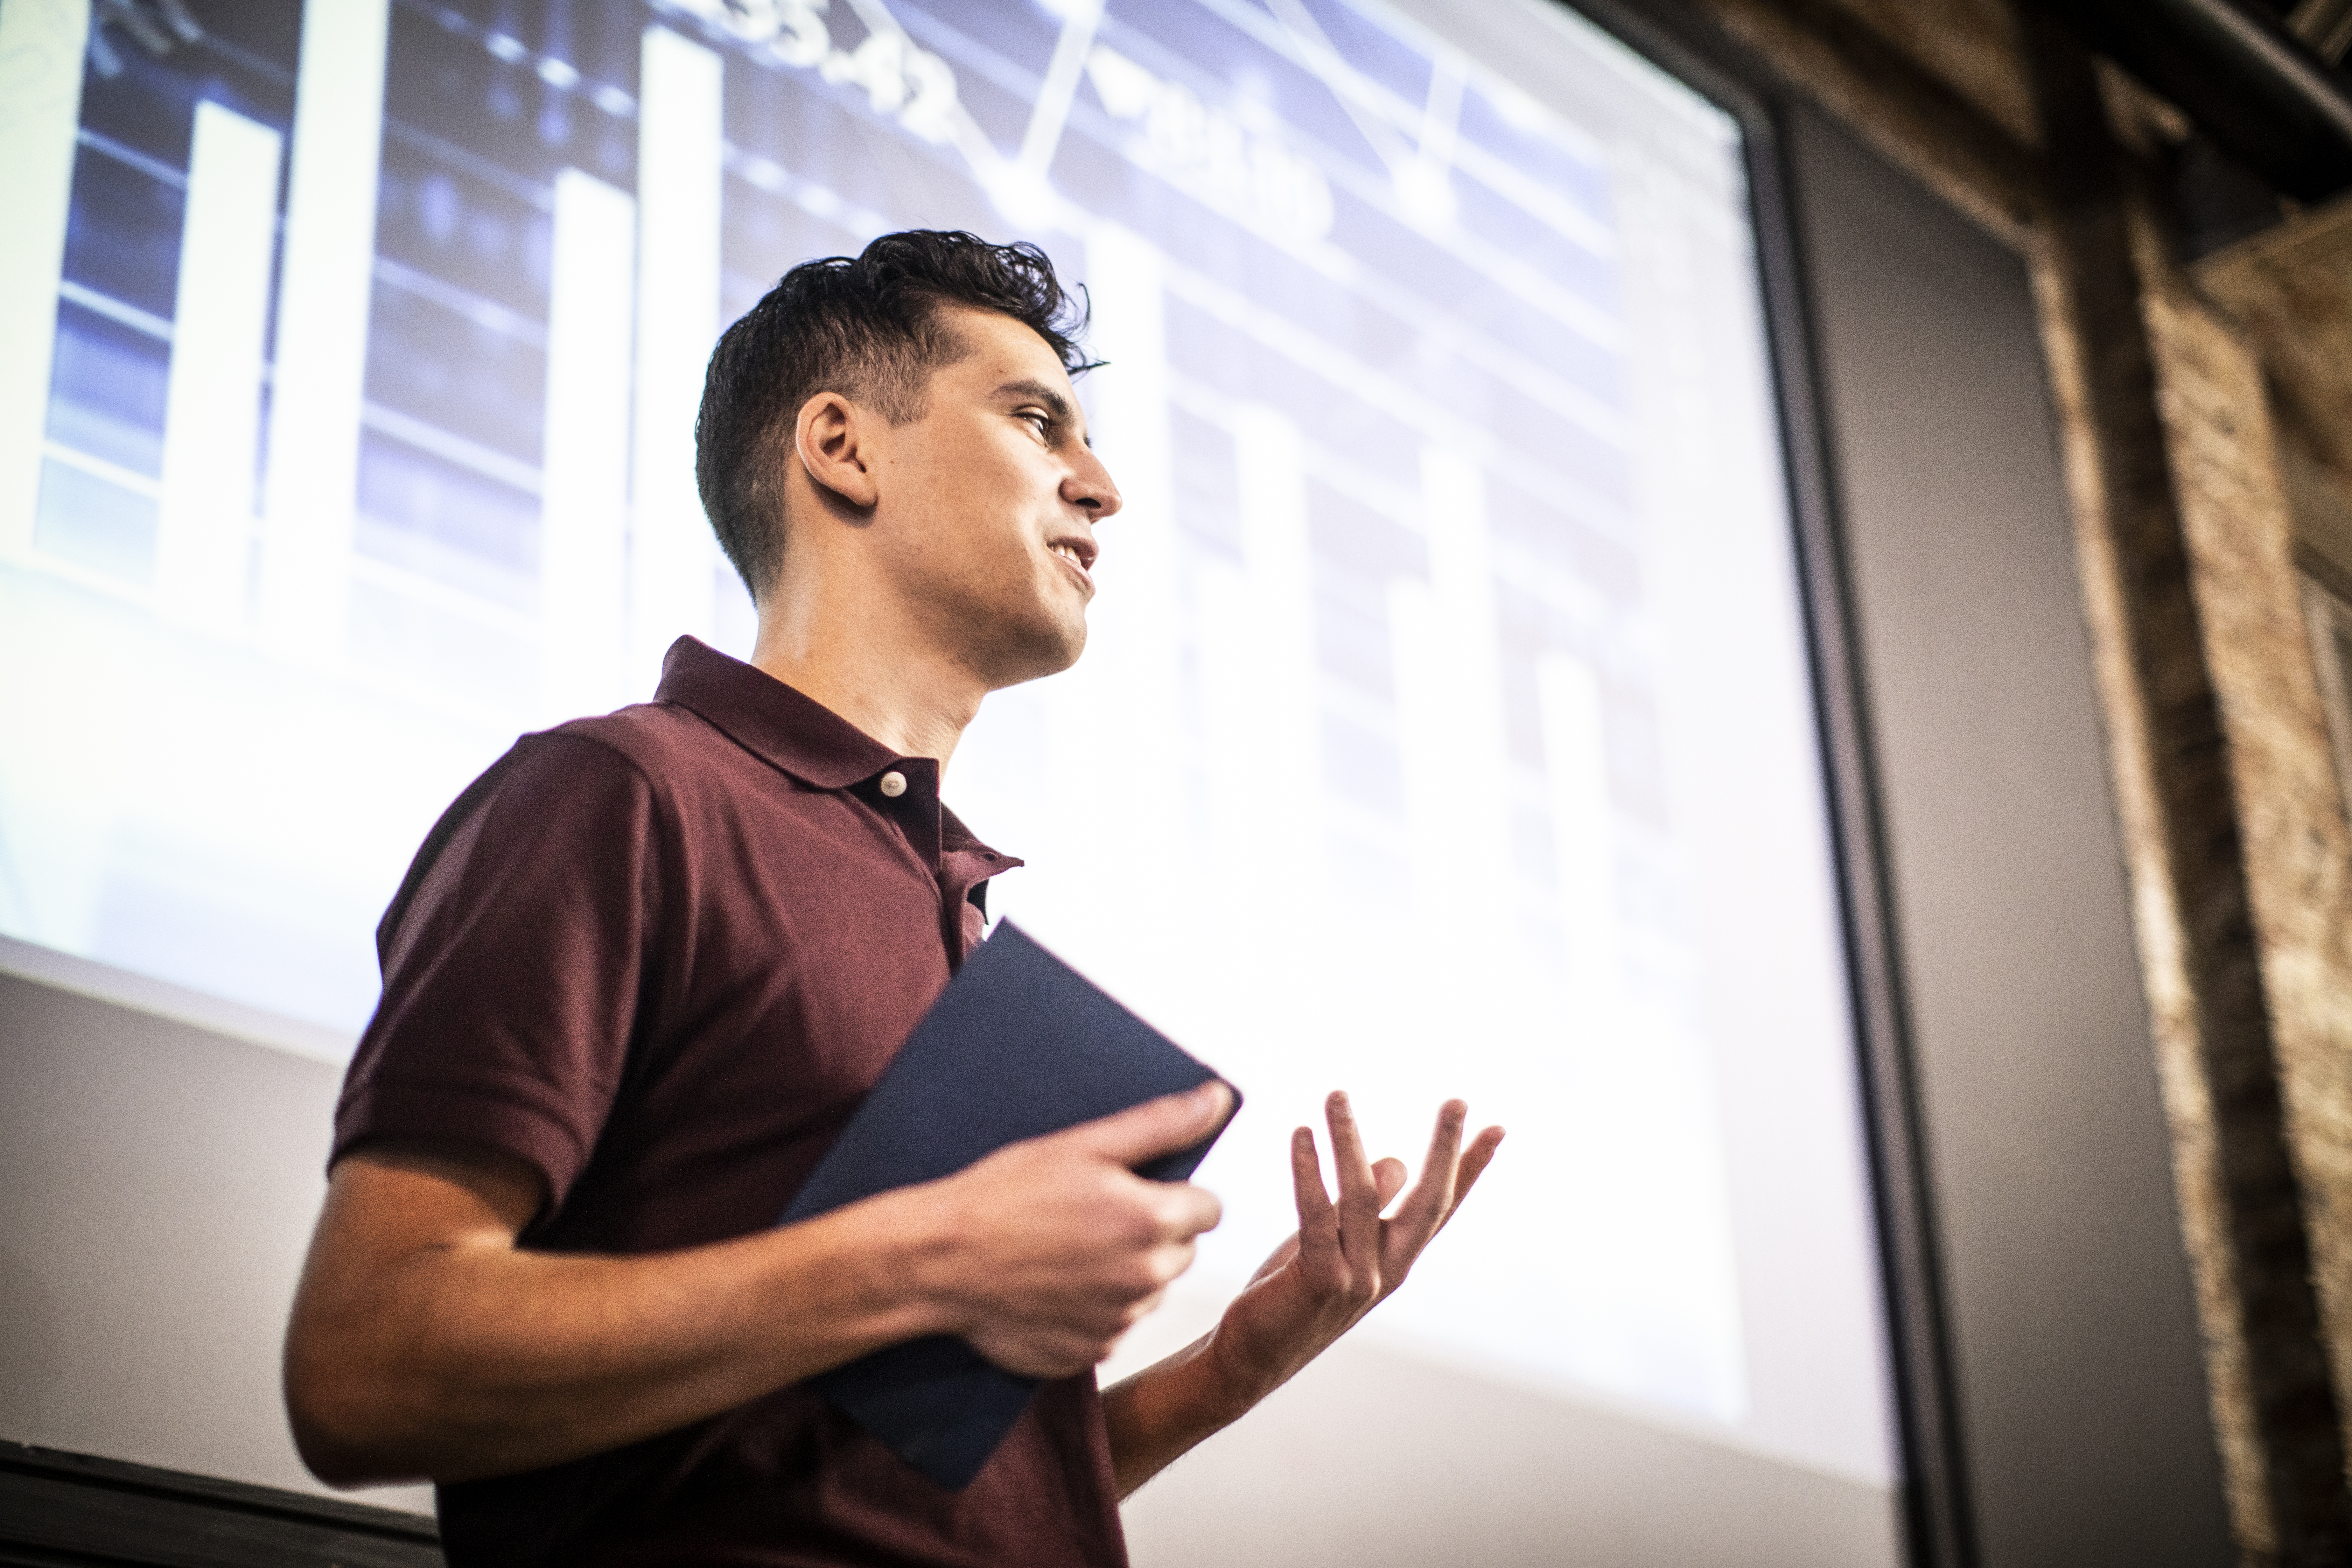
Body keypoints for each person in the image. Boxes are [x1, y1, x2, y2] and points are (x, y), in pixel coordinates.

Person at [283, 230, 1504, 1567]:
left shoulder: (950, 899)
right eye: (1038, 422)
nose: (1100, 487)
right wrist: (924, 1258)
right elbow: (360, 1370)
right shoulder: (623, 793)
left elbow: (873, 1485)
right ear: (841, 448)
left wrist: (1227, 1370)